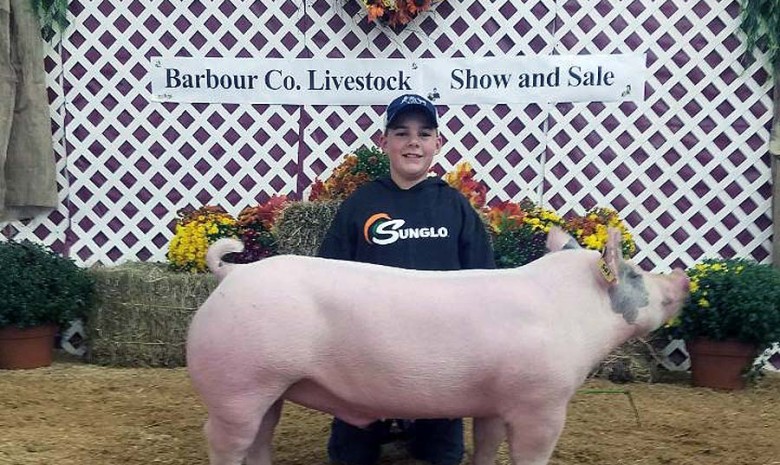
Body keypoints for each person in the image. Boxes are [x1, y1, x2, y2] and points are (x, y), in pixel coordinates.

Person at [318, 93, 496, 465]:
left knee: (443, 456)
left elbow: (484, 284)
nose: (413, 142)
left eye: (424, 133)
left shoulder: (454, 206)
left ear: (437, 144)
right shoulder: (361, 204)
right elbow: (326, 278)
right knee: (350, 454)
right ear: (384, 142)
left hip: (440, 357)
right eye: (401, 132)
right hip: (368, 354)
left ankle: (423, 431)